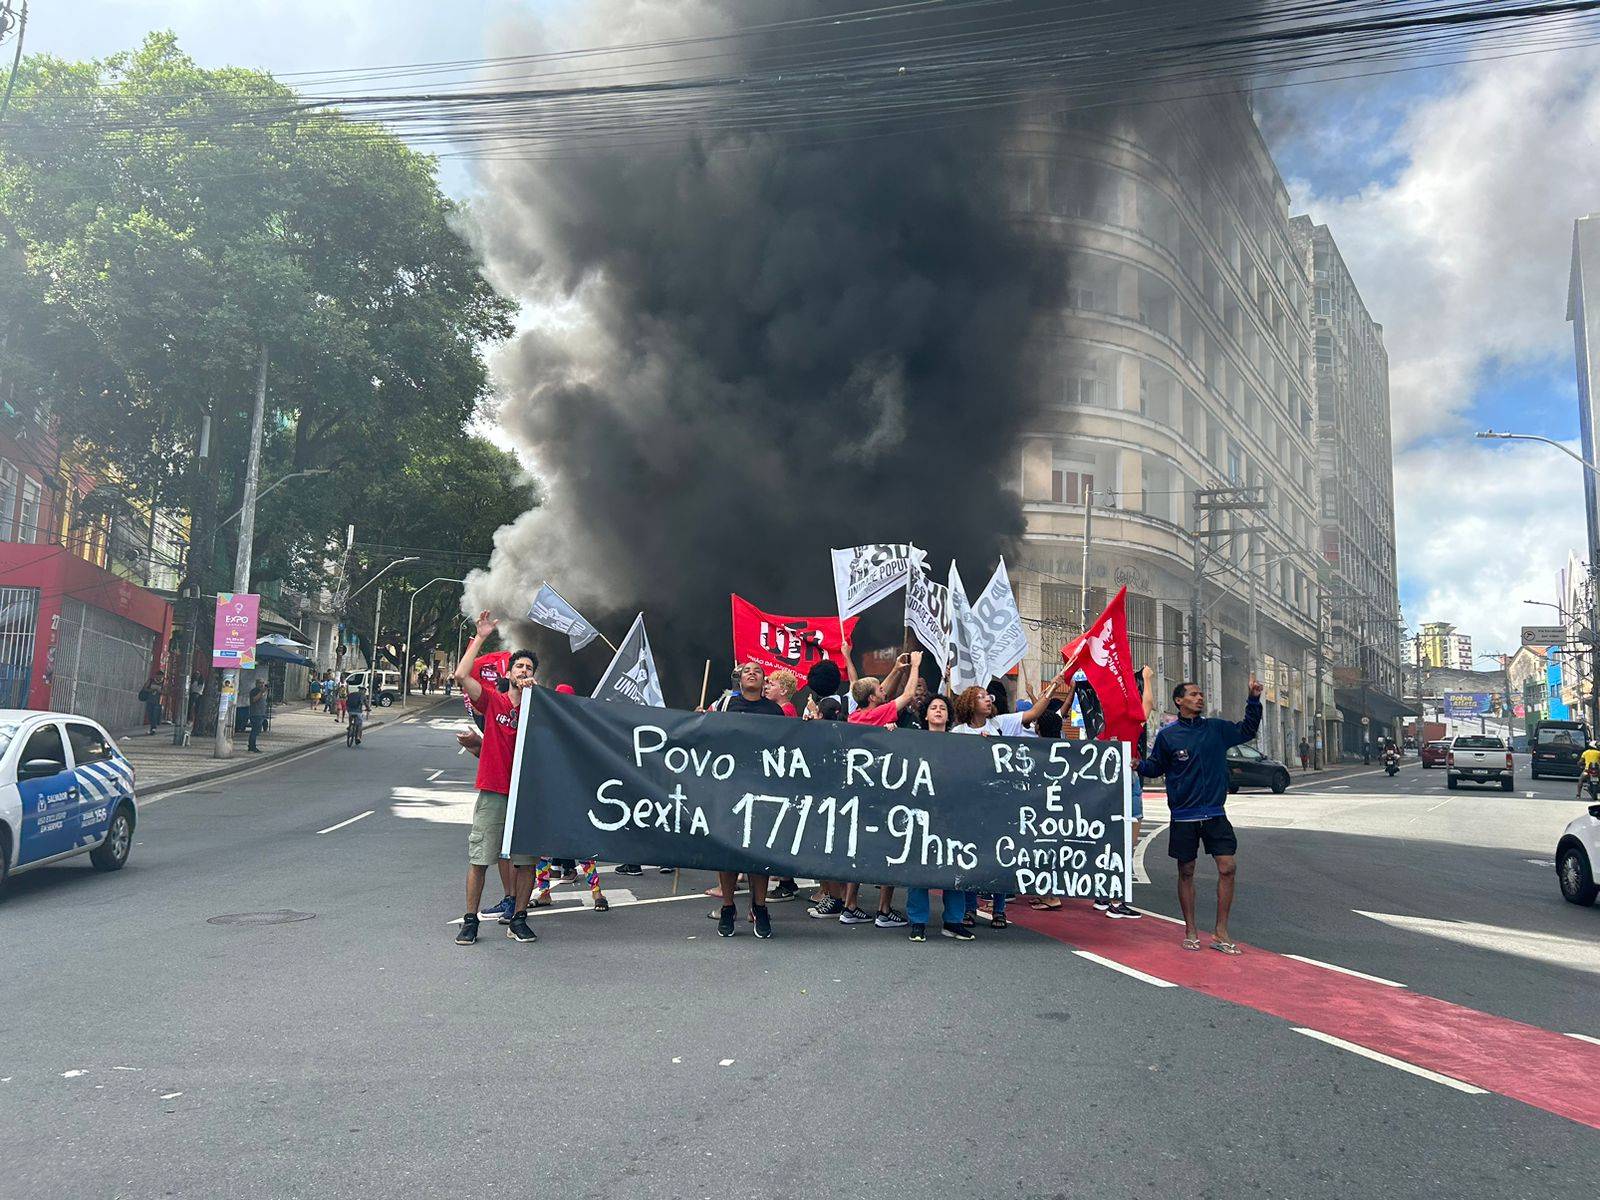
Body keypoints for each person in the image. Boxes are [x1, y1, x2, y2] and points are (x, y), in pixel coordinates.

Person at [1137, 677, 1263, 955]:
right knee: (1186, 871)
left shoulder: (1216, 729)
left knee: (1228, 867)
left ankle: (1221, 931)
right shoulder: (1168, 736)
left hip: (1215, 812)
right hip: (1184, 815)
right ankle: (1191, 930)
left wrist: (1253, 700)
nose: (1200, 698)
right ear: (1179, 701)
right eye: (1193, 694)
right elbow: (1155, 767)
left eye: (1201, 694)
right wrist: (1137, 764)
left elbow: (1248, 729)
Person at [451, 611, 540, 946]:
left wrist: (538, 695)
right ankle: (470, 920)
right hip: (493, 791)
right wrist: (481, 636)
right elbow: (461, 674)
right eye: (519, 667)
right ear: (509, 673)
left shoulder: (540, 708)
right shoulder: (493, 701)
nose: (524, 671)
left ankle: (519, 918)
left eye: (529, 669)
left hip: (526, 795)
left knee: (526, 861)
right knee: (480, 858)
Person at [840, 650, 925, 927]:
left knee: (859, 849)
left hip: (860, 794)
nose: (883, 690)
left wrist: (896, 669)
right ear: (873, 699)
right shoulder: (877, 715)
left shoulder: (855, 715)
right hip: (883, 792)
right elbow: (908, 695)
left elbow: (877, 690)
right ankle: (884, 910)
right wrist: (915, 667)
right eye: (879, 690)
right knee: (891, 847)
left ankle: (849, 906)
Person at [712, 661, 785, 939]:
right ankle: (728, 906)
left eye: (757, 670)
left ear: (764, 681)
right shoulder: (724, 706)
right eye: (746, 671)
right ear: (739, 679)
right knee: (727, 851)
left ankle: (760, 906)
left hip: (762, 788)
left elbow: (787, 746)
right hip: (729, 787)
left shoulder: (774, 710)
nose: (752, 673)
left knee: (759, 851)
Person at [904, 694, 972, 942]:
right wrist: (890, 732)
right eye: (933, 707)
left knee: (954, 866)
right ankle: (918, 922)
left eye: (943, 707)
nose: (938, 711)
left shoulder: (961, 744)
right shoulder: (912, 741)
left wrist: (986, 746)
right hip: (920, 813)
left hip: (951, 815)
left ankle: (953, 921)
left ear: (949, 715)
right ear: (925, 715)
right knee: (918, 869)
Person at [1094, 665, 1155, 921]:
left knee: (1108, 840)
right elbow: (1148, 705)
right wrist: (1147, 680)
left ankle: (1102, 894)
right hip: (1126, 780)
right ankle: (1117, 902)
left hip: (1106, 785)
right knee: (1126, 843)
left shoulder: (1104, 727)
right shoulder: (1130, 720)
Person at [246, 680, 268, 753]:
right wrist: (261, 692)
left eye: (263, 683)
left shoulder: (262, 691)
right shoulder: (255, 691)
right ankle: (252, 747)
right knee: (254, 731)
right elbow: (254, 700)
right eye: (260, 683)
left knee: (257, 731)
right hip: (255, 714)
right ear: (256, 684)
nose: (262, 685)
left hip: (261, 714)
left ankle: (252, 746)